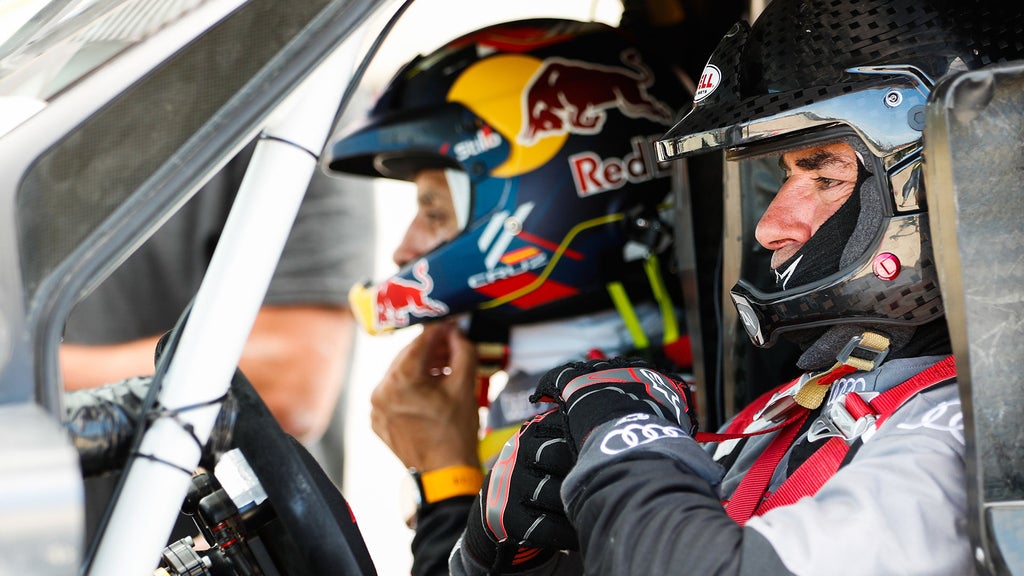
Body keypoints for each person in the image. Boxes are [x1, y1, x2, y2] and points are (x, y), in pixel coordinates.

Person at [445, 0, 1024, 574]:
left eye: (826, 178)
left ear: (951, 183)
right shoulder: (817, 396)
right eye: (785, 176)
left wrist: (623, 439)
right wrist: (510, 552)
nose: (770, 226)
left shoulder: (965, 436)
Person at [327, 17, 697, 576]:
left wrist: (446, 481)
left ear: (547, 200)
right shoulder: (648, 390)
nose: (404, 250)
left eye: (432, 212)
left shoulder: (612, 434)